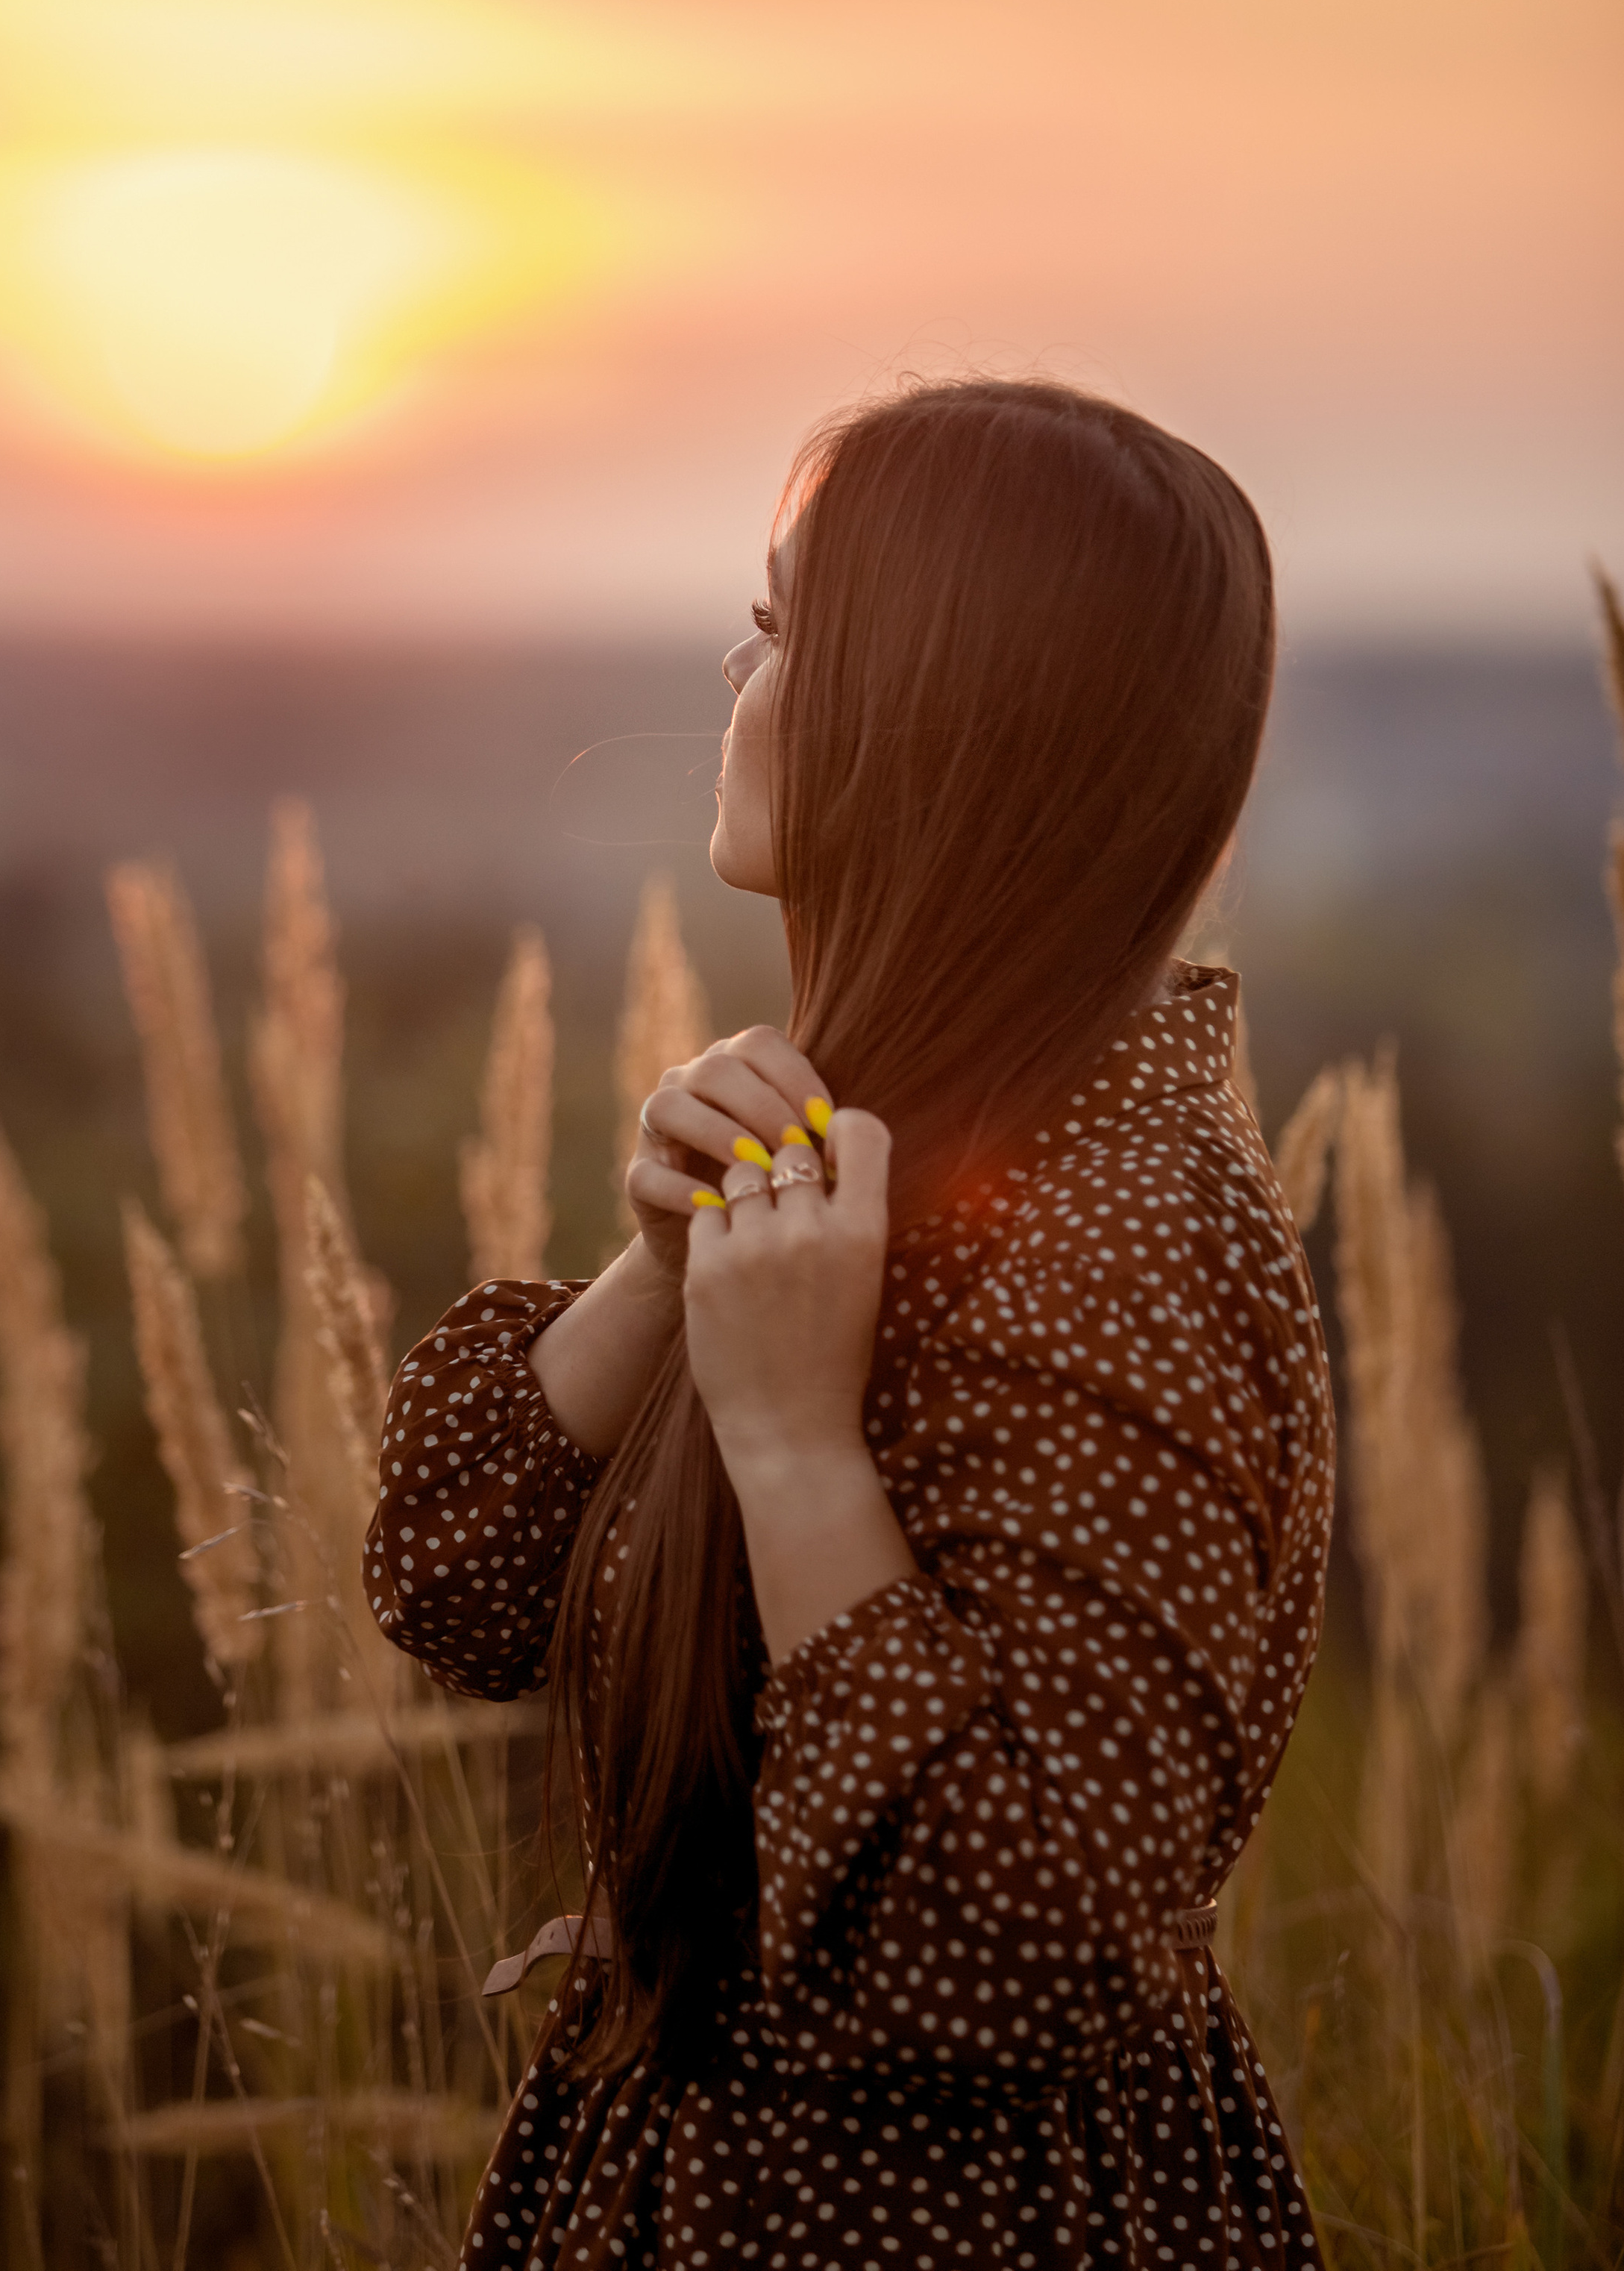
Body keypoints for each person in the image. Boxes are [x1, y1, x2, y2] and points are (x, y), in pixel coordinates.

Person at [365, 377, 1335, 2270]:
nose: (739, 667)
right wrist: (660, 1279)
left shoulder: (1119, 1232)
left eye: (787, 624)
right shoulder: (875, 1148)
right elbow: (446, 1577)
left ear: (935, 714)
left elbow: (1004, 1956)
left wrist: (798, 1440)